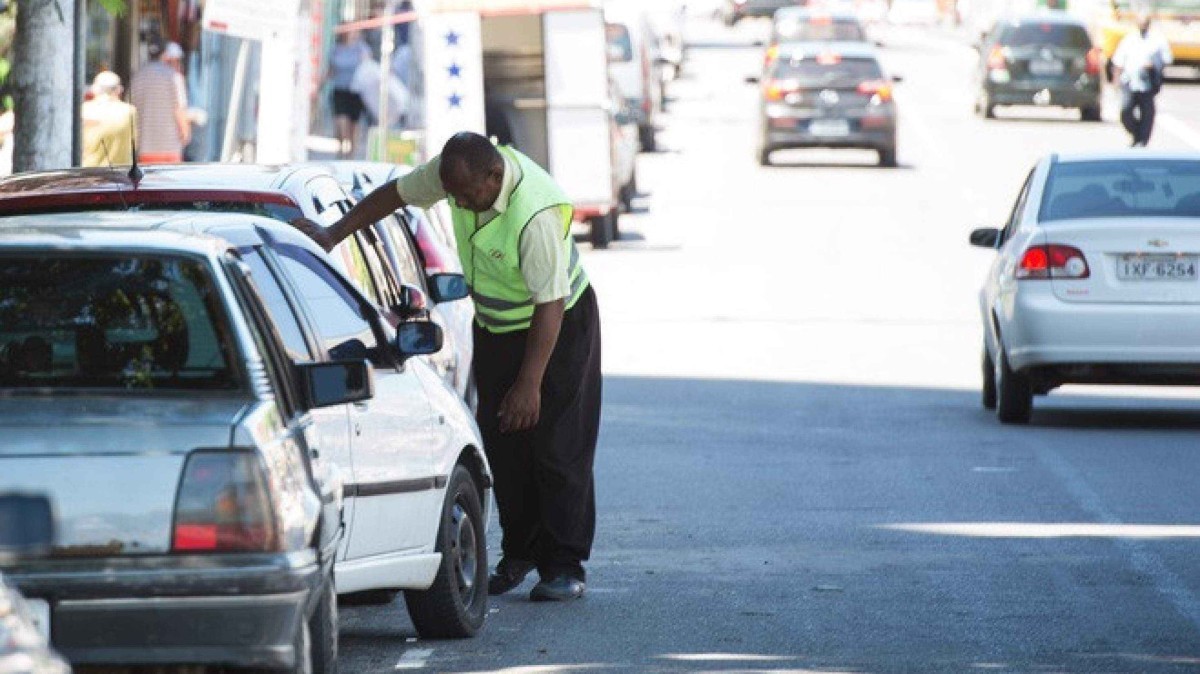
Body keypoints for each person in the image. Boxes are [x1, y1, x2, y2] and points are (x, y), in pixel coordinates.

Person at [311, 132, 602, 602]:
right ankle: (520, 552)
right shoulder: (456, 174)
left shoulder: (536, 213)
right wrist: (331, 234)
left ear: (494, 176)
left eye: (468, 194)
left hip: (559, 327)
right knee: (503, 441)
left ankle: (564, 565)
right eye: (454, 195)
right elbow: (393, 196)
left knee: (557, 445)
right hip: (497, 328)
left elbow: (550, 303)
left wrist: (530, 384)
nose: (460, 203)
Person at [1112, 13, 1172, 147]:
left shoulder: (1157, 40)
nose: (1142, 26)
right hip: (1129, 81)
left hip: (1147, 82)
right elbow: (1118, 61)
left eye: (1145, 23)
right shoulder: (1129, 40)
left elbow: (1167, 59)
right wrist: (1116, 82)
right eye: (1140, 23)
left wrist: (1154, 65)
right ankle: (1136, 133)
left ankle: (1143, 141)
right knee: (1126, 111)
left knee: (1147, 113)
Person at [130, 36, 190, 163]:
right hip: (170, 145)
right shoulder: (174, 76)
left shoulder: (137, 76)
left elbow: (132, 108)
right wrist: (185, 133)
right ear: (164, 54)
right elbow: (179, 109)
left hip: (145, 145)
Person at [328, 30, 371, 157]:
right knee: (341, 122)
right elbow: (331, 69)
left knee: (353, 125)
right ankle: (341, 149)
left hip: (356, 92)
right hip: (340, 90)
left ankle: (351, 154)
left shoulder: (361, 48)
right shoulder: (336, 49)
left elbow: (368, 67)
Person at [81, 71, 137, 167]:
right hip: (121, 170)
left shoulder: (85, 110)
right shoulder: (129, 111)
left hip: (90, 170)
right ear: (118, 90)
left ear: (94, 90)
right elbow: (134, 143)